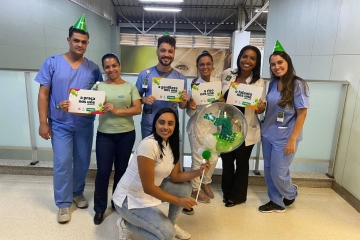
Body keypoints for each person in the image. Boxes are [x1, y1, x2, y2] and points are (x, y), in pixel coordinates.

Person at [34, 14, 103, 223]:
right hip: (60, 124)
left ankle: (77, 192)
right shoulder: (52, 63)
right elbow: (43, 94)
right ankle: (63, 204)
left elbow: (98, 95)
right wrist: (43, 122)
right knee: (63, 162)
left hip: (84, 124)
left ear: (87, 43)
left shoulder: (93, 68)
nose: (80, 44)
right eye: (76, 40)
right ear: (69, 40)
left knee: (82, 162)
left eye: (83, 42)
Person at [112, 108, 211, 240]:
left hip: (148, 191)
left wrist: (199, 171)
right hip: (129, 199)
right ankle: (125, 224)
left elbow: (176, 176)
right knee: (167, 235)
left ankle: (171, 224)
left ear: (175, 126)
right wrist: (179, 201)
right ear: (155, 124)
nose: (165, 127)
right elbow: (148, 187)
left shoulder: (171, 144)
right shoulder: (148, 145)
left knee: (185, 188)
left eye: (170, 123)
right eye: (161, 122)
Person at [259, 41, 309, 213]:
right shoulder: (273, 84)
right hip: (268, 134)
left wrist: (292, 139)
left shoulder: (297, 85)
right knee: (268, 170)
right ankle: (276, 202)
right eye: (273, 64)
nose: (276, 67)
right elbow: (270, 108)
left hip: (285, 137)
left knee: (278, 173)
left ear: (287, 63)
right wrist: (260, 107)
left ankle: (290, 192)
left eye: (280, 62)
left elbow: (302, 113)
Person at [92, 53, 142, 225]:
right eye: (107, 67)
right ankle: (99, 209)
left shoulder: (130, 87)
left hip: (126, 134)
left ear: (119, 66)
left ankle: (117, 202)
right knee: (103, 172)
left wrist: (116, 111)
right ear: (104, 69)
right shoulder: (98, 87)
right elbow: (88, 105)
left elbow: (137, 109)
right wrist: (69, 105)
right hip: (105, 134)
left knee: (121, 171)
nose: (111, 69)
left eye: (114, 65)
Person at [219, 45, 266, 207]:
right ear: (239, 57)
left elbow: (261, 107)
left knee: (241, 163)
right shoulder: (227, 75)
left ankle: (237, 196)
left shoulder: (259, 82)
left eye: (252, 58)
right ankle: (226, 193)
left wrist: (260, 107)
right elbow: (217, 93)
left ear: (256, 62)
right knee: (226, 162)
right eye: (245, 56)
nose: (248, 60)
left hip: (246, 129)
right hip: (226, 127)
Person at [182, 51, 220, 214]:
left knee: (213, 157)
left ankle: (206, 182)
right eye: (202, 64)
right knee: (198, 160)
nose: (205, 66)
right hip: (197, 127)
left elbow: (221, 107)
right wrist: (191, 106)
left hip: (213, 127)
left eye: (208, 64)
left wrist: (222, 101)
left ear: (212, 66)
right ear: (197, 67)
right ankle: (194, 188)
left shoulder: (217, 84)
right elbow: (189, 114)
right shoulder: (194, 86)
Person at [135, 34, 189, 139]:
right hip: (150, 126)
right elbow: (135, 100)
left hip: (170, 127)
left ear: (174, 53)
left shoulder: (180, 78)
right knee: (149, 154)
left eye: (170, 51)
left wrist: (184, 100)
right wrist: (144, 99)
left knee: (170, 155)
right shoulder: (145, 74)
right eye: (163, 50)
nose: (166, 54)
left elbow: (182, 106)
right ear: (157, 52)